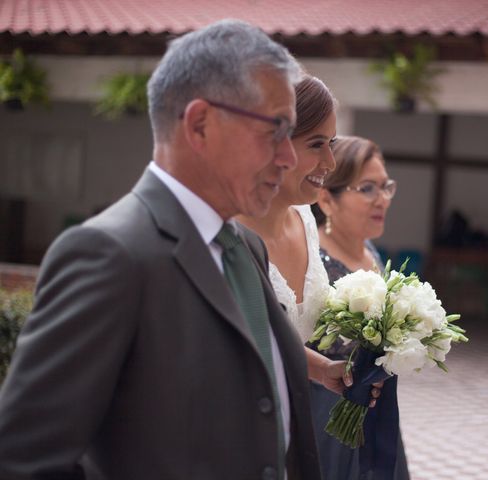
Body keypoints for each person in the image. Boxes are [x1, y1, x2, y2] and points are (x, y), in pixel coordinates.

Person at [0, 20, 321, 480]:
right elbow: (24, 460)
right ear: (200, 124)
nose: (289, 157)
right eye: (276, 129)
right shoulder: (108, 254)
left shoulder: (245, 247)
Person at [237, 76, 383, 477]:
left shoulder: (304, 219)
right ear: (275, 144)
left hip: (298, 428)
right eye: (316, 145)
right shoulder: (228, 235)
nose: (329, 164)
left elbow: (277, 341)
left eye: (331, 144)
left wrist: (322, 369)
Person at [312, 135, 410, 479]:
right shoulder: (313, 263)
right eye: (367, 188)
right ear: (326, 199)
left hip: (377, 413)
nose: (382, 199)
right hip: (324, 419)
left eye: (386, 187)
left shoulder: (372, 252)